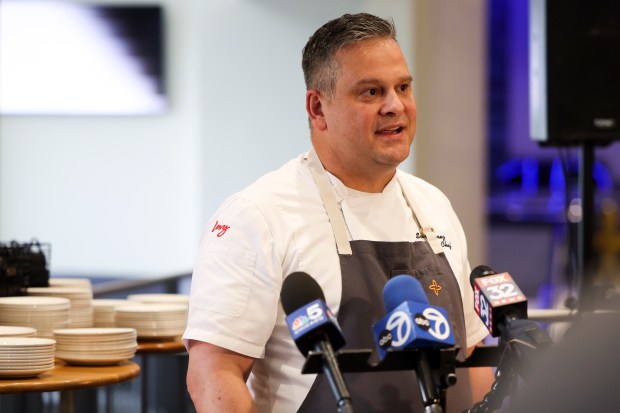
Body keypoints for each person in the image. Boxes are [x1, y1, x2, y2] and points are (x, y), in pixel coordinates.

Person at [183, 12, 493, 413]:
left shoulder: (433, 204)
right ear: (317, 108)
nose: (395, 106)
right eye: (370, 92)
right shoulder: (258, 215)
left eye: (402, 87)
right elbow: (214, 371)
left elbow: (468, 352)